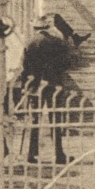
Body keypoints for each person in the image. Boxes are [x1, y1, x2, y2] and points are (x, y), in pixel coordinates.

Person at [19, 14, 71, 164]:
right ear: (47, 27)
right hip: (54, 85)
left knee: (35, 120)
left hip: (36, 86)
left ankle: (31, 154)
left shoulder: (30, 43)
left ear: (35, 28)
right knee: (56, 119)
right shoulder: (57, 42)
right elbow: (66, 63)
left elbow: (25, 67)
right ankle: (59, 154)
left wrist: (25, 85)